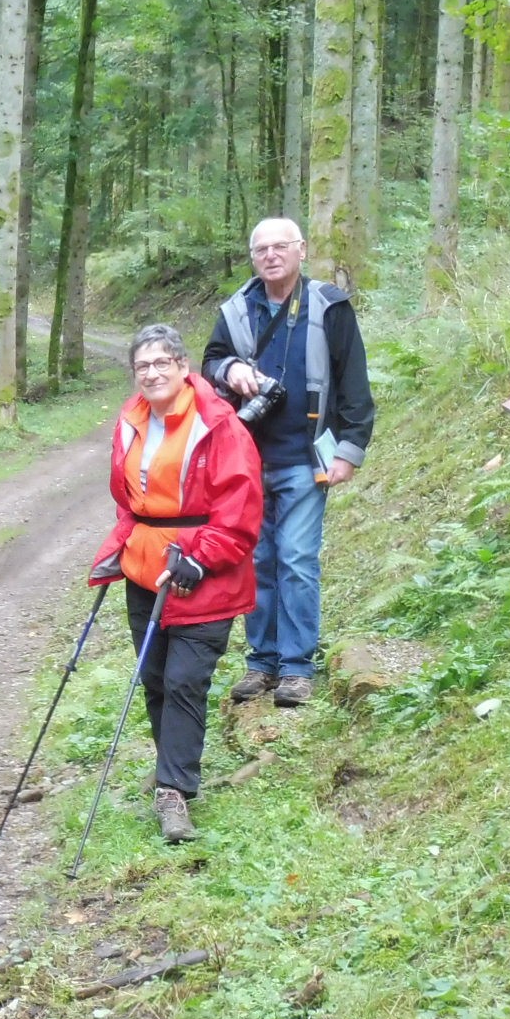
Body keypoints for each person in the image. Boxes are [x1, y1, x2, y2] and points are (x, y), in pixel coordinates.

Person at [88, 327, 263, 843]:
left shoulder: (219, 425)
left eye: (163, 362)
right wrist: (120, 546)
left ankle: (174, 792)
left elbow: (242, 506)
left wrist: (202, 558)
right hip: (145, 569)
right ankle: (172, 765)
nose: (153, 373)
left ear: (184, 366)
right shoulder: (132, 420)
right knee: (157, 676)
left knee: (187, 680)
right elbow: (129, 498)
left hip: (203, 574)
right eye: (143, 365)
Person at [203, 217, 376, 708]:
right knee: (257, 561)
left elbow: (355, 381)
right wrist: (230, 368)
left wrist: (349, 449)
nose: (271, 255)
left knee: (296, 559)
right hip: (246, 459)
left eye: (281, 246)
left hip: (306, 454)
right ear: (253, 257)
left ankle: (297, 667)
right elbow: (210, 362)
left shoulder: (329, 307)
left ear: (301, 250)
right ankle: (262, 661)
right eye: (262, 249)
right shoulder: (237, 309)